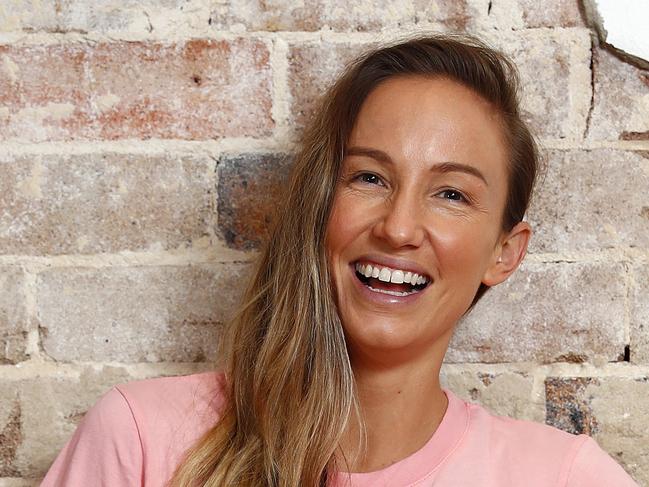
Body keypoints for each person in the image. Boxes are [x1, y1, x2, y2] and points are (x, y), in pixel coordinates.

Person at [41, 34, 639, 487]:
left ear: (505, 253)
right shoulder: (143, 441)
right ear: (319, 204)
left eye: (452, 194)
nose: (399, 227)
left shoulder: (564, 477)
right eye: (369, 177)